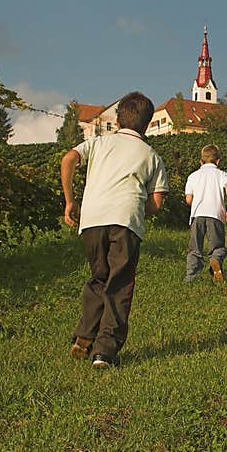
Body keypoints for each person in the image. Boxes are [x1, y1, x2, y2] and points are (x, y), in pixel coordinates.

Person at [60, 91, 169, 368]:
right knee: (119, 284)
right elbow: (156, 203)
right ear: (146, 124)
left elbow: (68, 159)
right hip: (125, 222)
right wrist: (134, 208)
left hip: (92, 219)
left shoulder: (98, 142)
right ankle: (104, 352)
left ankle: (84, 336)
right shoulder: (152, 156)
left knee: (99, 277)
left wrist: (70, 201)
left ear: (118, 118)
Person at [184, 144, 227, 284]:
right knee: (218, 246)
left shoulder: (193, 176)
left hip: (197, 214)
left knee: (195, 248)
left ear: (201, 161)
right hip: (215, 214)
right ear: (218, 161)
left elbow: (188, 199)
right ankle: (215, 260)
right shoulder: (221, 174)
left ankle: (190, 278)